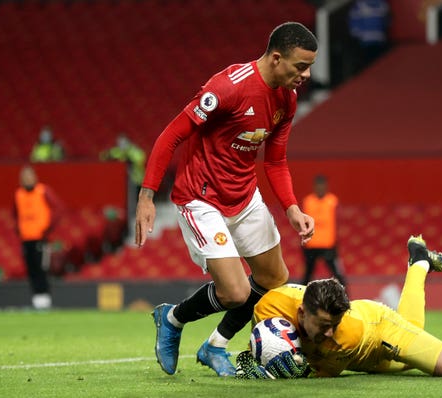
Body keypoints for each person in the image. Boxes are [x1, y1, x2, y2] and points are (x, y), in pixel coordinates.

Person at [135, 22, 318, 377]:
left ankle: (215, 346)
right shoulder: (227, 88)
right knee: (234, 292)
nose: (306, 74)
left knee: (273, 277)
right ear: (277, 58)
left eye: (309, 66)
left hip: (244, 194)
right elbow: (171, 135)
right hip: (201, 197)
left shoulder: (287, 99)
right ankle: (172, 318)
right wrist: (146, 197)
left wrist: (292, 208)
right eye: (300, 66)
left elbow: (276, 160)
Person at [237, 235, 442, 379]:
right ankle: (419, 263)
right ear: (301, 312)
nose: (329, 332)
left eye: (332, 325)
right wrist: (262, 355)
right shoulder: (270, 306)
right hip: (364, 328)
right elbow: (268, 340)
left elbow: (315, 370)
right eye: (323, 325)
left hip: (378, 337)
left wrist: (277, 367)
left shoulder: (345, 335)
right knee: (417, 323)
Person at [13, 165, 63, 310]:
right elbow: (15, 214)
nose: (26, 179)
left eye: (29, 176)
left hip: (40, 238)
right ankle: (36, 299)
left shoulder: (43, 191)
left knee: (42, 268)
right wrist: (19, 229)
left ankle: (45, 299)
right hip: (26, 238)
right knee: (31, 268)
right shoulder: (18, 194)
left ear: (35, 177)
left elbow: (58, 209)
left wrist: (47, 228)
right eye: (23, 177)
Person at [301, 175, 346, 286]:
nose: (320, 188)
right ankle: (301, 297)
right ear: (314, 187)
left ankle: (346, 298)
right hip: (311, 244)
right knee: (307, 275)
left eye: (322, 186)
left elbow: (339, 220)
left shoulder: (332, 201)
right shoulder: (308, 201)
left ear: (326, 187)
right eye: (318, 186)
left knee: (338, 274)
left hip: (328, 245)